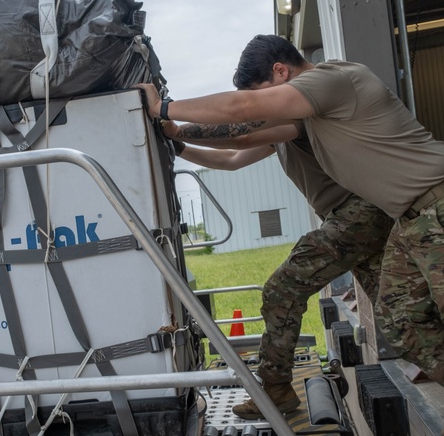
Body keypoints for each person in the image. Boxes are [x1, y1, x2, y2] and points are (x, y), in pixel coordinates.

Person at [137, 34, 444, 436]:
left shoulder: (337, 79)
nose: (263, 103)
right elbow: (239, 138)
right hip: (414, 217)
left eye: (262, 94)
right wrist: (177, 138)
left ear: (280, 73)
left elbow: (239, 113)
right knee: (401, 323)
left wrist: (165, 108)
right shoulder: (306, 116)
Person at [164, 122, 392, 419]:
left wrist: (173, 127)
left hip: (355, 216)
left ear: (278, 72)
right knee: (396, 310)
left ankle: (276, 389)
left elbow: (239, 137)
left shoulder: (296, 116)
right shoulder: (279, 136)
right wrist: (179, 147)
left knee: (281, 290)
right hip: (355, 218)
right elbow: (230, 160)